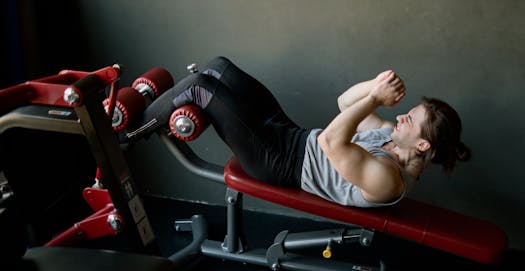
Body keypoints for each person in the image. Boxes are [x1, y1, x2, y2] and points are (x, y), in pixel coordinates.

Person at [136, 56, 471, 208]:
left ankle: (129, 130)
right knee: (218, 68)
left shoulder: (388, 179)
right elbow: (344, 103)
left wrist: (372, 99)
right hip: (292, 137)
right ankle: (148, 106)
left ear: (423, 143)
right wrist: (375, 86)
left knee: (200, 87)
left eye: (409, 120)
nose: (400, 118)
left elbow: (330, 141)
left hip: (280, 163)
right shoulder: (388, 136)